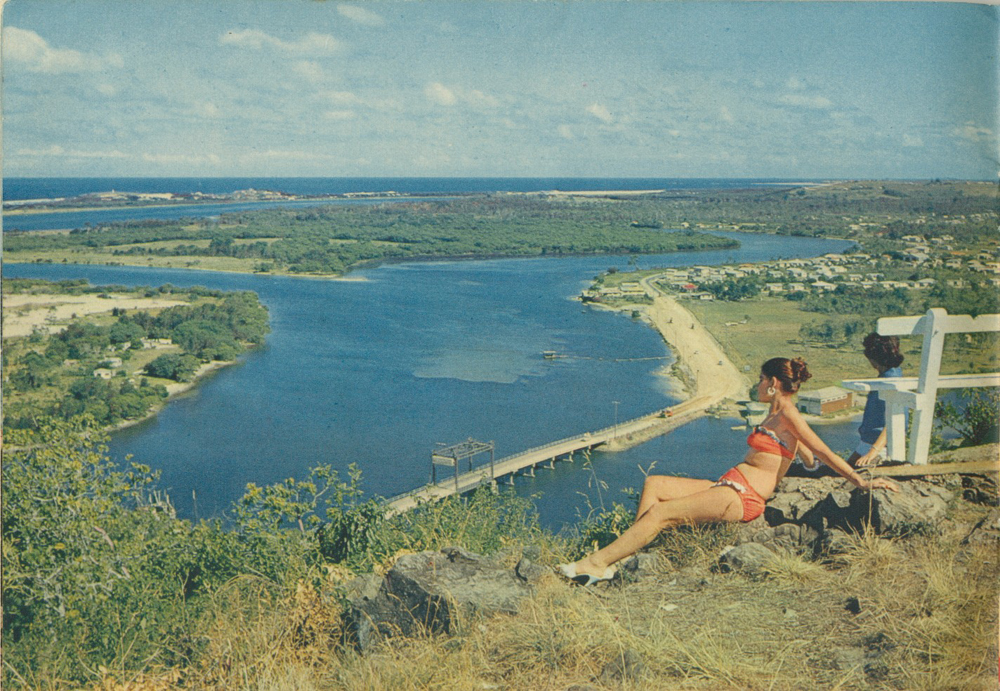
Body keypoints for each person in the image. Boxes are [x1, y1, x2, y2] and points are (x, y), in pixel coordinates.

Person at [558, 356, 899, 585]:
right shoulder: (776, 415)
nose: (758, 384)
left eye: (762, 379)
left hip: (743, 497)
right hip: (730, 484)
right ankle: (628, 554)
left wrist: (861, 482)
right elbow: (809, 456)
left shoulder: (790, 414)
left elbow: (823, 451)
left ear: (775, 384)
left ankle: (596, 564)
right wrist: (803, 456)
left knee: (661, 512)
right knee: (656, 484)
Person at [849, 333, 905, 467]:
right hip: (867, 443)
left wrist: (873, 451)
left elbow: (896, 420)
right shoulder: (891, 374)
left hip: (881, 447)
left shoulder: (890, 381)